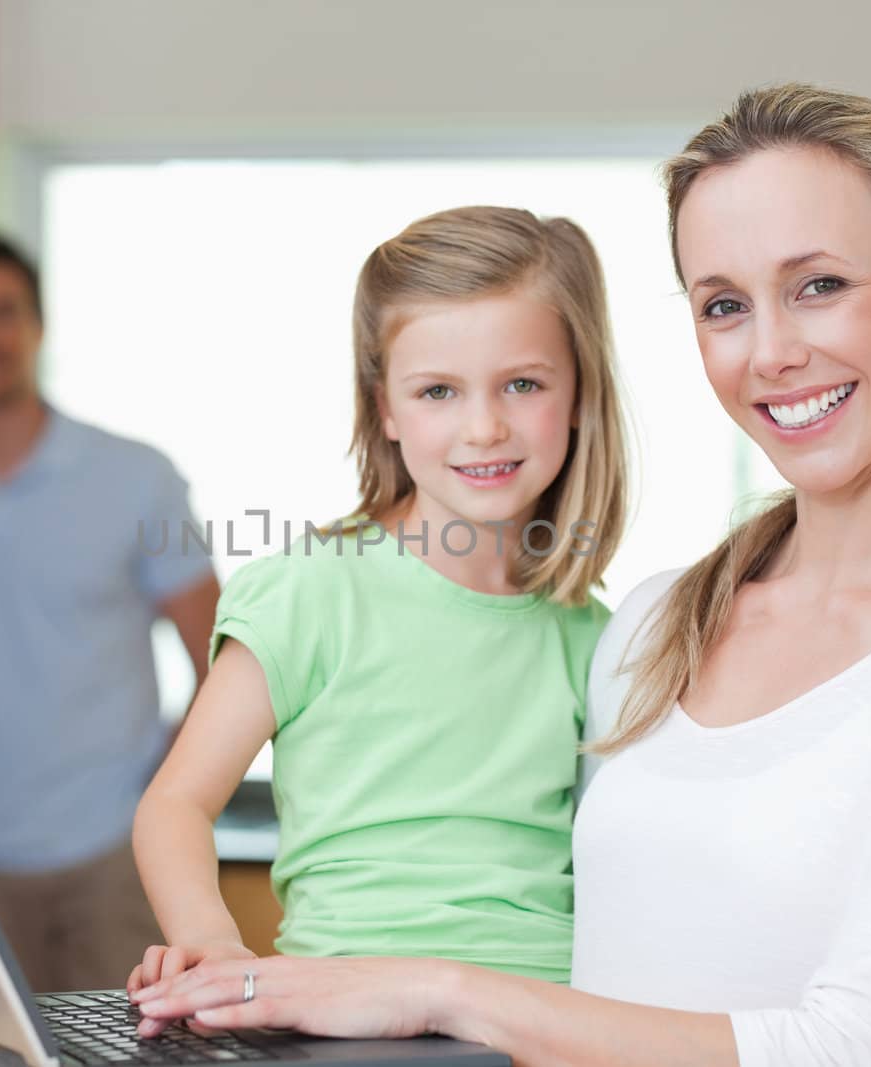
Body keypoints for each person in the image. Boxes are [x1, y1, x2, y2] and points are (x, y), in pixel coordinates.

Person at [129, 85, 871, 1067]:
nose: (772, 350)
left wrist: (431, 987)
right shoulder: (648, 627)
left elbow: (869, 1048)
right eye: (723, 303)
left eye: (818, 284)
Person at [125, 206, 631, 1034]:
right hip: (342, 1022)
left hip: (541, 1023)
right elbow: (174, 804)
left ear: (578, 392)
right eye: (438, 391)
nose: (484, 426)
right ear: (386, 409)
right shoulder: (310, 591)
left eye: (524, 383)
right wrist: (214, 943)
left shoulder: (597, 635)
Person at [0, 229, 220, 991]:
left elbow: (220, 661)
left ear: (37, 326)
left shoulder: (136, 477)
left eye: (0, 311)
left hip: (113, 856)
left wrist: (164, 809)